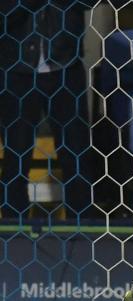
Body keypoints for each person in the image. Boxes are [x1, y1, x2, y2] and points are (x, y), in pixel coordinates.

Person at [0, 0, 96, 218]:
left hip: (66, 68)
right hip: (17, 71)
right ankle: (15, 230)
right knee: (17, 156)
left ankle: (84, 230)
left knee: (76, 154)